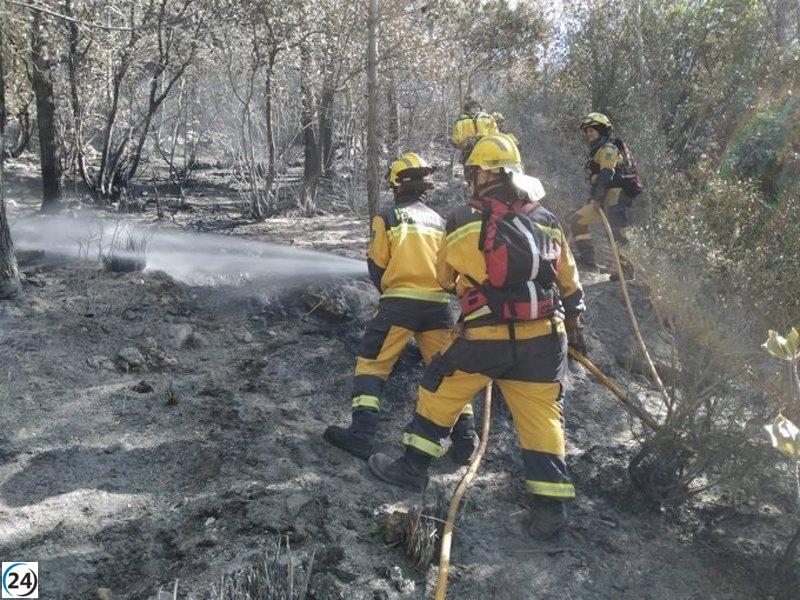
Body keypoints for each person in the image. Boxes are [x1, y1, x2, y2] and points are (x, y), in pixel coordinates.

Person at [368, 135, 587, 540]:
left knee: (439, 388)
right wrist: (574, 324)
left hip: (485, 336)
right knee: (541, 418)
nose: (469, 179)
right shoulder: (547, 218)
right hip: (545, 340)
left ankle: (412, 468)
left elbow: (443, 277)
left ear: (484, 175)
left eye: (472, 173)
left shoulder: (463, 220)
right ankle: (550, 510)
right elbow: (570, 283)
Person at [324, 152, 478, 463]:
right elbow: (451, 272)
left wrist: (390, 293)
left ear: (397, 186)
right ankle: (465, 441)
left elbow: (377, 265)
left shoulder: (387, 217)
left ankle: (361, 434)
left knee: (372, 364)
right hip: (438, 308)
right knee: (448, 374)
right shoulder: (441, 222)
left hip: (399, 306)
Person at [568, 112, 637, 279]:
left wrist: (597, 197)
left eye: (592, 130)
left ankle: (626, 270)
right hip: (603, 196)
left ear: (602, 131)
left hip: (615, 196)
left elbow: (607, 173)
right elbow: (599, 178)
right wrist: (595, 195)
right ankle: (588, 260)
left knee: (616, 233)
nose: (588, 134)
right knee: (577, 220)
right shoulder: (598, 150)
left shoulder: (608, 149)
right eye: (587, 131)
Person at [451, 98, 499, 167]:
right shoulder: (488, 117)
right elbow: (496, 136)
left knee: (471, 172)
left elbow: (455, 141)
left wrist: (465, 141)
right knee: (489, 170)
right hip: (487, 151)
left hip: (469, 155)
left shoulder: (459, 121)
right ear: (479, 107)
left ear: (466, 109)